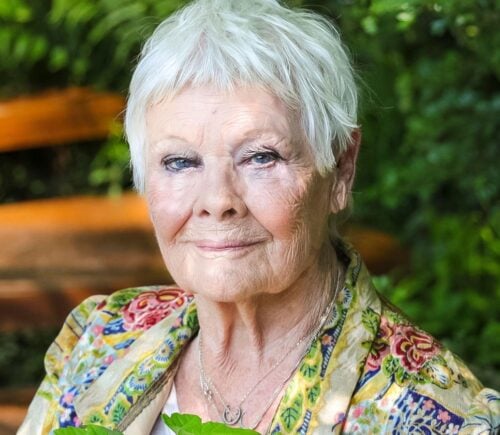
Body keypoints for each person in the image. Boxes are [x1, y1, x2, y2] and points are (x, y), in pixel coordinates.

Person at [19, 0, 499, 434]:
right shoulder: (99, 343)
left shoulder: (438, 417)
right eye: (180, 162)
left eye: (261, 157)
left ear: (341, 169)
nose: (217, 200)